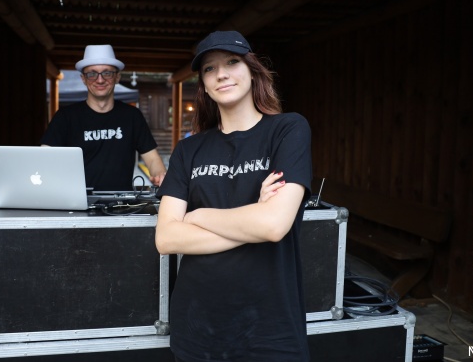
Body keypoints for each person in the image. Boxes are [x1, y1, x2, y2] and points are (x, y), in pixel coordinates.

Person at [155, 30, 312, 361]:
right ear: (204, 84)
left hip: (269, 326)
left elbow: (273, 226)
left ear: (252, 71)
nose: (221, 73)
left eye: (231, 62)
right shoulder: (188, 150)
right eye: (209, 68)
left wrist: (197, 216)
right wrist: (253, 216)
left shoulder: (288, 130)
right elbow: (166, 238)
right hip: (197, 326)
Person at [40, 44, 166, 190]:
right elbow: (44, 159)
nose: (100, 80)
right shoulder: (65, 117)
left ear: (117, 77)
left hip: (121, 201)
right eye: (92, 74)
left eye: (107, 73)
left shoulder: (132, 116)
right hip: (75, 200)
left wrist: (160, 175)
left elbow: (152, 159)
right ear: (83, 79)